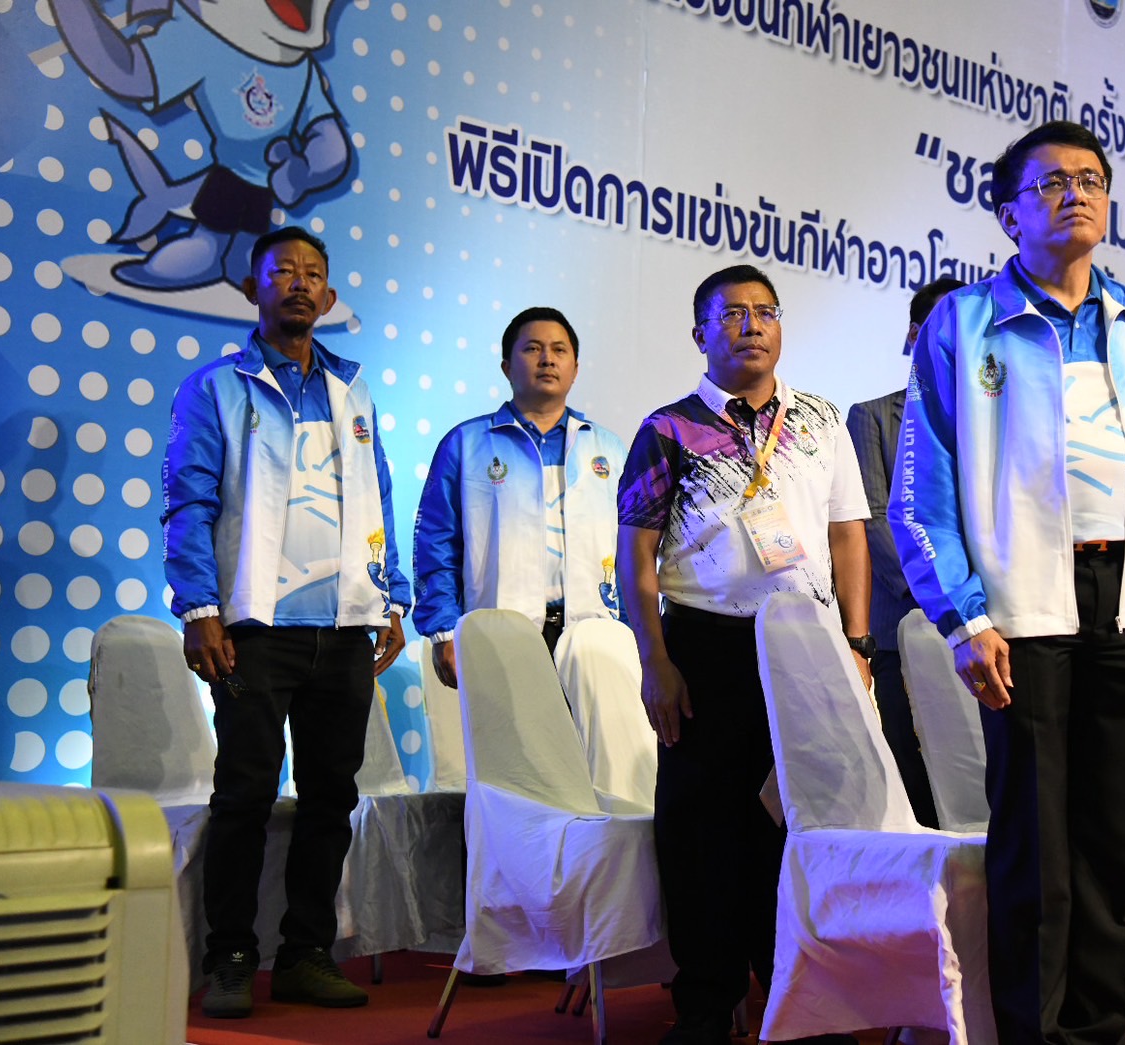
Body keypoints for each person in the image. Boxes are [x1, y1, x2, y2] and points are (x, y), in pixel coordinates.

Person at [892, 120, 1125, 1044]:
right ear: (1007, 214)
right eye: (1049, 183)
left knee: (1114, 843)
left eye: (1089, 179)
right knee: (1035, 847)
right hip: (1018, 610)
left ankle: (1096, 1029)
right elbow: (921, 494)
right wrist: (963, 618)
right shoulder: (961, 323)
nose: (1074, 194)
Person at [615, 264, 872, 1045]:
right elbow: (635, 554)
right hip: (705, 646)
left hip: (805, 649)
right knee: (701, 830)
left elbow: (846, 535)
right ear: (700, 334)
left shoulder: (821, 420)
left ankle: (796, 997)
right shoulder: (667, 428)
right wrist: (655, 660)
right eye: (731, 314)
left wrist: (857, 642)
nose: (751, 325)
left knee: (795, 826)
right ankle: (704, 1002)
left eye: (765, 311)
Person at [161, 226, 411, 1018]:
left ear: (329, 297)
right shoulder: (214, 387)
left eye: (312, 274)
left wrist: (390, 596)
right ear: (251, 288)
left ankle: (306, 953)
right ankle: (231, 955)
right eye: (281, 272)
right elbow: (188, 501)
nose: (298, 284)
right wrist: (200, 608)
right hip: (254, 628)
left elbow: (377, 496)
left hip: (343, 626)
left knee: (332, 795)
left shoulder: (353, 389)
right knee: (243, 794)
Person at [412, 306, 626, 684]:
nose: (547, 359)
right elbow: (437, 543)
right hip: (498, 637)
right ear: (507, 367)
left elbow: (630, 551)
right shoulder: (465, 444)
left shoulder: (609, 450)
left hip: (595, 638)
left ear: (575, 368)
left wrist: (634, 631)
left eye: (559, 350)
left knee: (590, 727)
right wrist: (443, 631)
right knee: (506, 725)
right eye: (532, 349)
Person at [846, 276, 965, 830]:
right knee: (915, 773)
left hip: (989, 632)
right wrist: (945, 595)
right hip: (906, 623)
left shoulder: (994, 421)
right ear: (915, 334)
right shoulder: (871, 417)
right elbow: (873, 517)